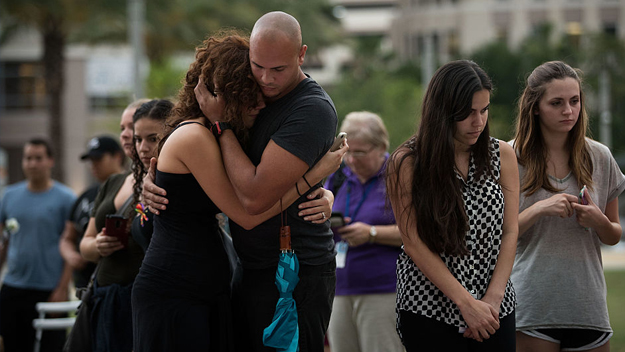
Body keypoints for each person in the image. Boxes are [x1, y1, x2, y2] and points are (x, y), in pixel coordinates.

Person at [132, 31, 343, 352]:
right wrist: (313, 177)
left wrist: (322, 191)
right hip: (178, 285)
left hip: (215, 283)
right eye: (248, 95)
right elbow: (248, 213)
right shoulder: (199, 136)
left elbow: (252, 182)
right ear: (221, 96)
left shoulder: (220, 134)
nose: (261, 101)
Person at [386, 60, 519, 351]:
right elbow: (413, 242)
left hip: (495, 307)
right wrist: (465, 303)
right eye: (468, 113)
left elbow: (510, 230)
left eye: (484, 110)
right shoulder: (407, 163)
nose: (479, 121)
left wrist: (492, 301)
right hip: (428, 307)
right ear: (443, 111)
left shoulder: (502, 155)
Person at [510, 61, 625, 352]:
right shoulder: (510, 158)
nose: (568, 111)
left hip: (589, 308)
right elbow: (498, 237)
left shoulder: (600, 156)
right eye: (557, 103)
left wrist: (599, 221)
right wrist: (539, 209)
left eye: (574, 101)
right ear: (535, 107)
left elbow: (613, 234)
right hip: (533, 305)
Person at [79, 99, 171, 352]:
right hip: (105, 298)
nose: (128, 135)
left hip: (144, 299)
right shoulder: (114, 183)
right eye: (123, 128)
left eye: (133, 127)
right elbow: (84, 244)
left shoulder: (168, 179)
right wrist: (98, 245)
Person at [323, 111, 403, 352]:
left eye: (360, 152)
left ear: (381, 147)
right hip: (339, 288)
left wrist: (372, 233)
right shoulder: (337, 177)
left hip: (383, 289)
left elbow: (417, 231)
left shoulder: (398, 176)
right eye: (349, 152)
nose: (352, 160)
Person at [0, 138, 76, 352]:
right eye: (28, 158)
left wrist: (62, 290)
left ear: (50, 161)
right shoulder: (9, 196)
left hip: (50, 289)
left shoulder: (66, 198)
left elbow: (71, 246)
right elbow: (4, 241)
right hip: (14, 287)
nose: (32, 163)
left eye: (38, 158)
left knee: (51, 347)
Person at [59, 135, 125, 289]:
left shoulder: (130, 190)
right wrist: (71, 255)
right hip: (85, 283)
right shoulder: (85, 195)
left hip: (117, 281)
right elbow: (67, 237)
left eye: (99, 159)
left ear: (117, 156)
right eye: (91, 161)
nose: (93, 165)